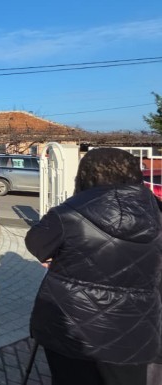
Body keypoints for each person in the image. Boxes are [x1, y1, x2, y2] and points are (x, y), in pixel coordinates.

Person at [25, 148, 162, 385]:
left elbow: (36, 244)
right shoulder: (156, 210)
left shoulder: (70, 212)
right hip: (135, 328)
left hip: (73, 323)